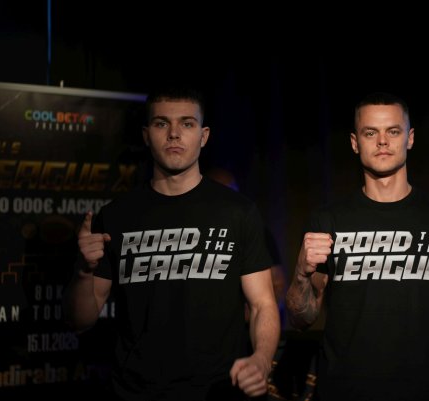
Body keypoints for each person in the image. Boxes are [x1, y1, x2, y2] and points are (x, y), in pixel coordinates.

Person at [285, 92, 429, 401]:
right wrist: (300, 274)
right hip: (347, 391)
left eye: (393, 131)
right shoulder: (328, 220)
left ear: (410, 138)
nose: (382, 141)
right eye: (370, 133)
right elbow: (301, 318)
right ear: (354, 142)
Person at [63, 85, 280, 401]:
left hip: (218, 392)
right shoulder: (116, 216)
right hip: (136, 393)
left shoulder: (238, 212)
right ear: (146, 135)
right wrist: (84, 272)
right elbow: (80, 320)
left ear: (203, 136)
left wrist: (261, 358)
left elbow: (262, 304)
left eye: (187, 124)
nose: (174, 134)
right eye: (161, 123)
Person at [204, 166, 288, 327]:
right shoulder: (194, 232)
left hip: (244, 330)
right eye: (220, 193)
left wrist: (248, 316)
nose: (227, 200)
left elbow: (277, 284)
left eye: (232, 192)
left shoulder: (255, 231)